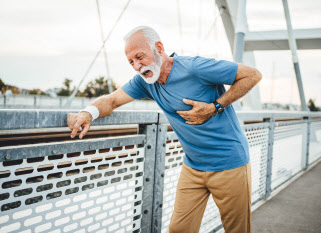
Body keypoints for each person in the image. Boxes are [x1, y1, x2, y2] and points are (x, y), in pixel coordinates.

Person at [67, 26, 261, 233]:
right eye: (131, 62)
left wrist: (215, 107)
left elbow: (252, 75)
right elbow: (112, 100)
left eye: (140, 57)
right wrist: (87, 113)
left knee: (237, 230)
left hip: (229, 164)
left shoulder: (195, 67)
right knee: (179, 229)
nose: (136, 66)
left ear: (159, 48)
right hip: (193, 168)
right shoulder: (146, 82)